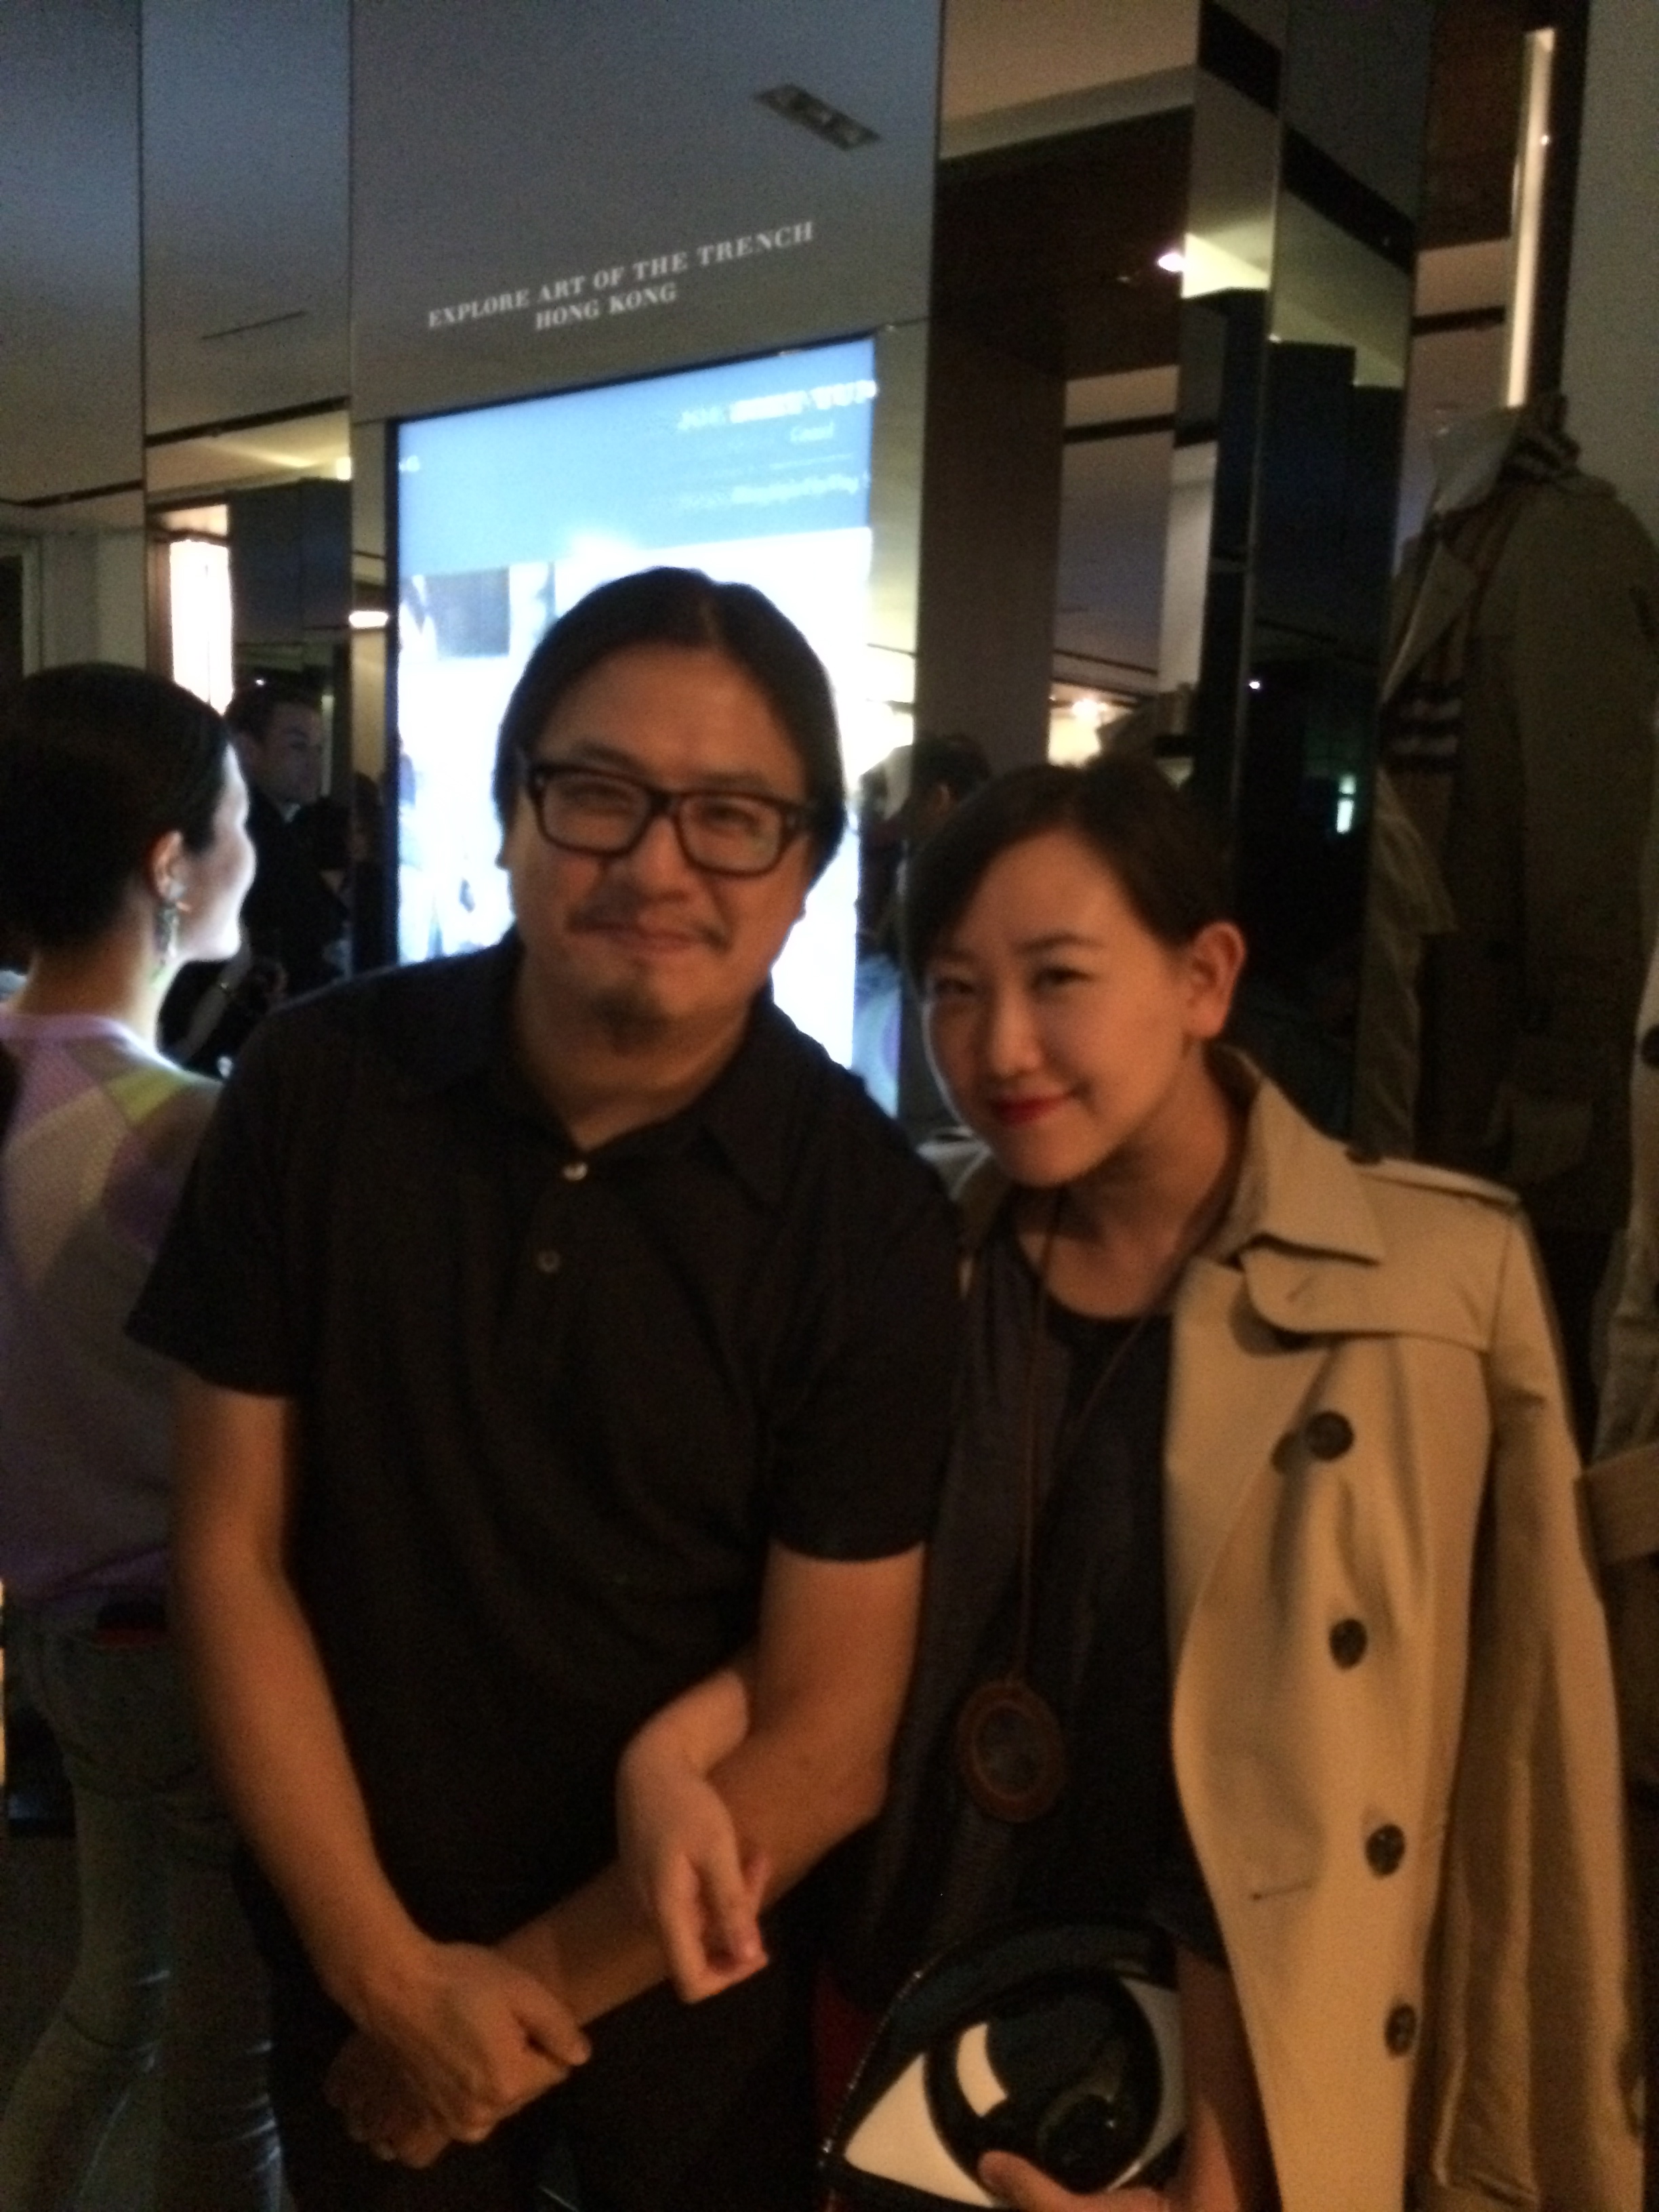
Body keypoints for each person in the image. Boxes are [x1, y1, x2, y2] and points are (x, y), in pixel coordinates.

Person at [620, 754, 1639, 2211]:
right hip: (907, 2005)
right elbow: (863, 1617)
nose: (999, 1044)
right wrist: (672, 1756)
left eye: (1058, 978)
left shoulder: (1430, 1289)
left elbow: (1515, 1760)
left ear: (1205, 978)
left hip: (1226, 2080)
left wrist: (1225, 2178)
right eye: (955, 989)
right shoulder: (922, 1256)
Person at [127, 568, 962, 2210]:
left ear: (806, 872)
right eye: (597, 794)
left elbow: (829, 1729)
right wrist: (385, 1975)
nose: (656, 864)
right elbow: (230, 1552)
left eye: (732, 818)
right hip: (356, 1927)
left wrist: (488, 2020)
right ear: (510, 811)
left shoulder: (865, 1219)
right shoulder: (316, 1091)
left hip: (682, 1969)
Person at [0, 662, 279, 2209]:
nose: (255, 849)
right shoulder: (174, 1131)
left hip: (57, 1639)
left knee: (113, 1998)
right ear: (171, 864)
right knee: (227, 2074)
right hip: (181, 1641)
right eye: (238, 821)